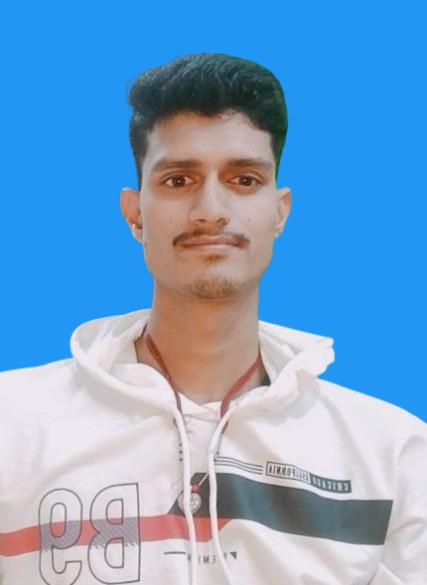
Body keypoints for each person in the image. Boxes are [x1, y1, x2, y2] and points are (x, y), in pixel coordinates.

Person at [0, 53, 426, 585]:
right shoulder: (12, 425)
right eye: (179, 180)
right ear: (134, 212)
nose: (211, 210)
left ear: (279, 210)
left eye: (244, 179)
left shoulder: (392, 454)